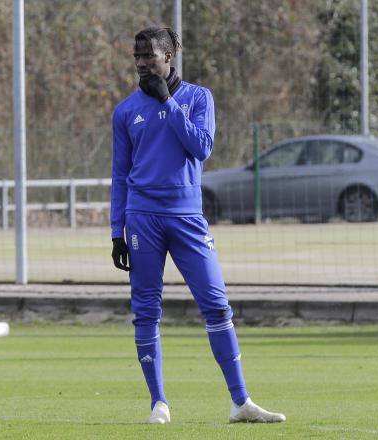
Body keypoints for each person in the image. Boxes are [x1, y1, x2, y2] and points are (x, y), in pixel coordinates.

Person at [110, 26, 286, 425]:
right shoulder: (124, 111)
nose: (141, 64)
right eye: (136, 57)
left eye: (149, 56)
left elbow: (201, 147)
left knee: (217, 305)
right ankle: (159, 403)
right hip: (142, 219)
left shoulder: (198, 98)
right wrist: (115, 231)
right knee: (146, 310)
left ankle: (240, 402)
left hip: (188, 217)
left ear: (169, 57)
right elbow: (120, 175)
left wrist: (168, 103)